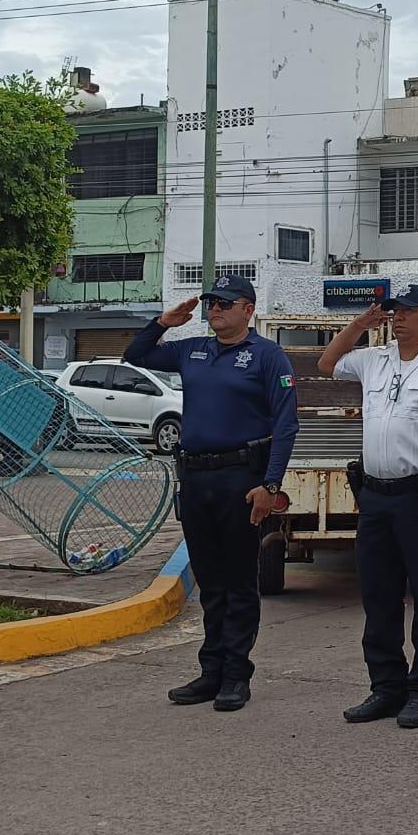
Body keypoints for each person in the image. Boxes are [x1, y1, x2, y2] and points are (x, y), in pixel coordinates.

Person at [124, 274, 298, 712]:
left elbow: (286, 425)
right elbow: (136, 355)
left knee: (239, 581)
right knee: (211, 581)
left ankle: (236, 674)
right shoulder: (192, 350)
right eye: (211, 303)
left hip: (242, 480)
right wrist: (163, 322)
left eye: (224, 303)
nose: (214, 309)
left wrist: (271, 485)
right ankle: (211, 672)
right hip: (197, 478)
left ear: (248, 310)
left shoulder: (268, 356)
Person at [317, 284, 418, 729]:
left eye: (409, 311)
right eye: (395, 311)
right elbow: (327, 363)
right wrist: (359, 325)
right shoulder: (376, 359)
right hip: (375, 497)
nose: (399, 318)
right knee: (379, 597)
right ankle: (385, 688)